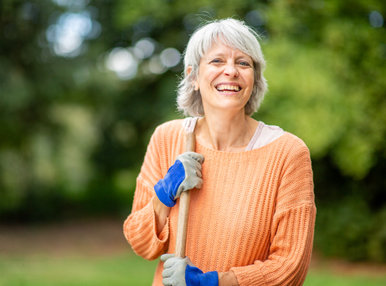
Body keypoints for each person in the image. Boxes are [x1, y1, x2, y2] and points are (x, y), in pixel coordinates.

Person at [123, 18, 316, 286]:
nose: (231, 71)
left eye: (243, 63)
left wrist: (212, 282)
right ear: (194, 77)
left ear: (254, 79)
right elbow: (141, 243)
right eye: (216, 61)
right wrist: (163, 194)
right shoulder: (167, 138)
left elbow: (290, 268)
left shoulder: (288, 153)